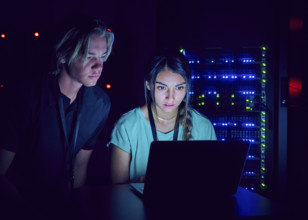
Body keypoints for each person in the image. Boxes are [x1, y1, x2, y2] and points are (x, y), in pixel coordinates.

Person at [0, 15, 114, 219]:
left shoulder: (100, 104)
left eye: (102, 56)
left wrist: (73, 208)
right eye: (89, 56)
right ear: (63, 55)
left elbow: (80, 166)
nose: (99, 66)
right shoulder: (27, 97)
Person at [109, 50, 216, 184]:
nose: (170, 97)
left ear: (187, 87)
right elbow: (116, 191)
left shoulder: (203, 126)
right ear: (148, 84)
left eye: (179, 88)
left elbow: (211, 182)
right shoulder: (127, 125)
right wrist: (141, 182)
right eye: (161, 88)